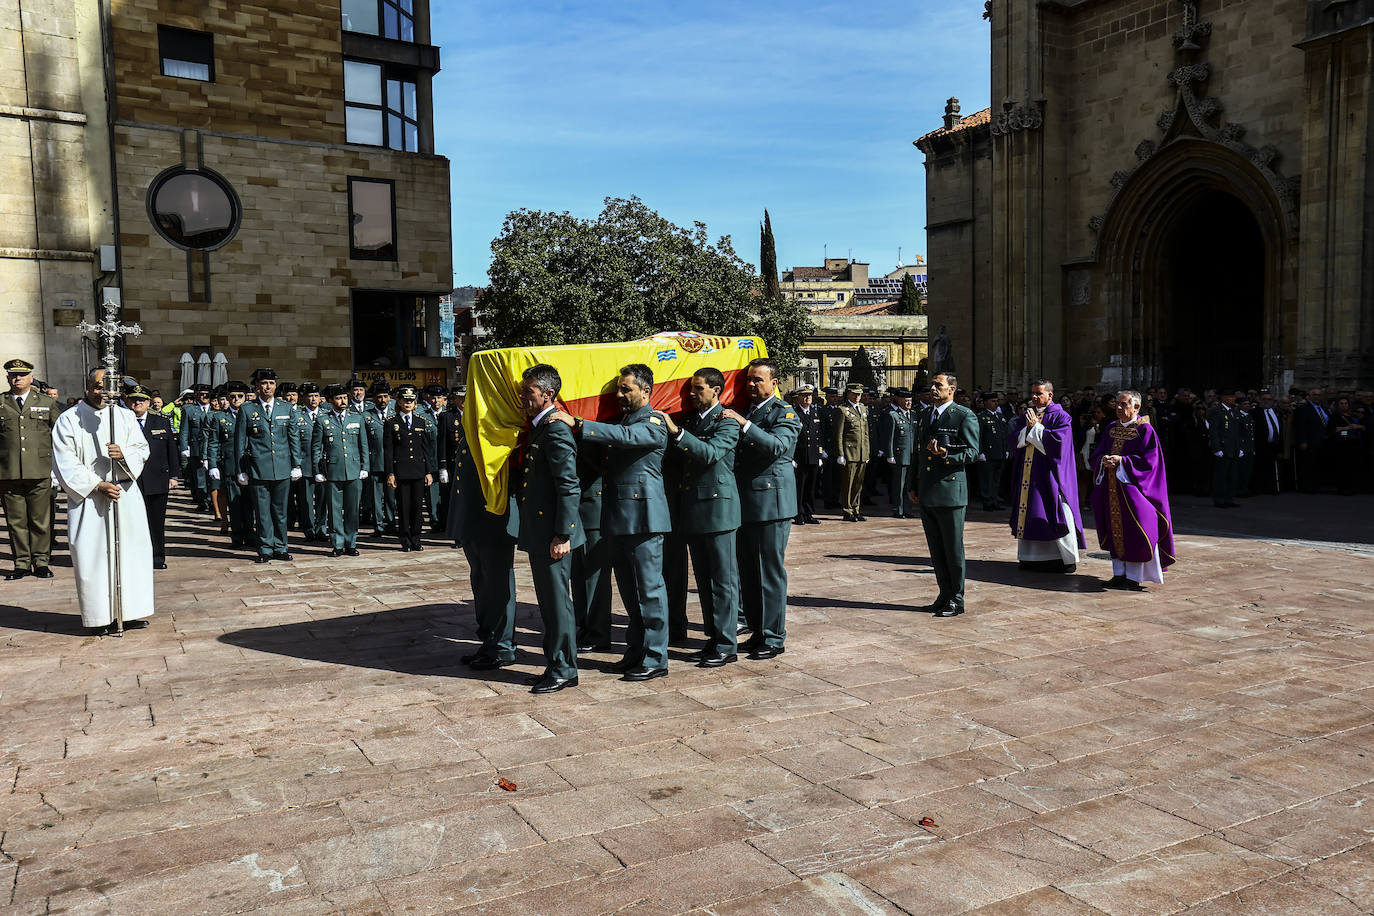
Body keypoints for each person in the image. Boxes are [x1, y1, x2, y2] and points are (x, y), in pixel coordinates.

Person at [559, 363, 672, 681]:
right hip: (619, 519)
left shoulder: (653, 421)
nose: (619, 394)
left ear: (645, 391)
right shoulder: (621, 421)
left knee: (649, 591)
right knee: (631, 594)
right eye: (618, 389)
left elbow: (627, 437)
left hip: (645, 519)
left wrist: (579, 423)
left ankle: (656, 657)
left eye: (626, 389)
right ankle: (636, 651)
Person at [51, 369, 154, 635]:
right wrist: (97, 484)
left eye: (109, 386)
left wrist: (124, 454)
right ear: (87, 386)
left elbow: (142, 449)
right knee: (93, 557)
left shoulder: (125, 416)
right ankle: (100, 616)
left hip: (125, 494)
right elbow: (65, 461)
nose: (103, 392)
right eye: (98, 386)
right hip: (90, 499)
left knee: (131, 554)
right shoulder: (68, 419)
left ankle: (130, 612)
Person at [659, 367, 742, 668]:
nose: (692, 394)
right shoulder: (693, 420)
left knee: (723, 581)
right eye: (691, 388)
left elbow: (709, 454)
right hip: (693, 509)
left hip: (719, 511)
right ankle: (713, 638)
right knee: (705, 581)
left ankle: (726, 643)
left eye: (699, 389)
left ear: (716, 391)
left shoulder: (727, 421)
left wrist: (676, 432)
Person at [722, 357, 800, 659]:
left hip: (772, 504)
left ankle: (774, 636)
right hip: (745, 501)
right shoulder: (746, 409)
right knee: (749, 572)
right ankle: (757, 629)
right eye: (749, 380)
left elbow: (777, 446)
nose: (751, 385)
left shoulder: (785, 413)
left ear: (774, 383)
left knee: (769, 572)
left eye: (758, 380)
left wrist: (744, 424)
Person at [516, 364, 583, 694]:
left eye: (528, 393)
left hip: (553, 534)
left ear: (548, 395)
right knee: (549, 602)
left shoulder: (555, 430)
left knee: (557, 604)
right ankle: (556, 664)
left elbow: (569, 485)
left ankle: (564, 669)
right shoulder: (539, 428)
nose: (522, 398)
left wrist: (563, 534)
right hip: (542, 530)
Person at [443, 402, 519, 670]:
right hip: (472, 519)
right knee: (481, 580)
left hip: (492, 520)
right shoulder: (471, 428)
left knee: (497, 584)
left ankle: (502, 646)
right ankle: (489, 639)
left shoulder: (498, 429)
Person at [1089, 390, 1176, 591]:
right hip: (1111, 490)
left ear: (1136, 407)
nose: (1118, 408)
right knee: (1114, 529)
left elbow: (1150, 462)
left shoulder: (1145, 430)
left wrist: (1122, 462)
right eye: (1117, 404)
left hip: (1135, 492)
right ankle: (1119, 574)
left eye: (1124, 404)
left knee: (1137, 531)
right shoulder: (1111, 427)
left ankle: (1134, 577)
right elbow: (1099, 452)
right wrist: (1103, 460)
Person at [912, 373, 979, 617]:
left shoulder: (963, 415)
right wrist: (913, 485)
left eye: (937, 385)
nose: (932, 389)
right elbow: (917, 453)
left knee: (953, 549)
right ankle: (944, 593)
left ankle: (957, 599)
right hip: (928, 491)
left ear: (951, 389)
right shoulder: (925, 415)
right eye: (932, 385)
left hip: (950, 492)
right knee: (936, 549)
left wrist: (946, 456)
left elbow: (972, 453)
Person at [1007, 379, 1085, 573]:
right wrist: (1029, 428)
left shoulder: (1061, 416)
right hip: (1029, 474)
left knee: (1057, 511)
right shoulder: (1027, 414)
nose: (1034, 397)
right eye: (1032, 393)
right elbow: (1014, 438)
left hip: (1051, 475)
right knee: (1030, 512)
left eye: (1038, 393)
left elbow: (1059, 443)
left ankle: (1066, 559)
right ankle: (1030, 558)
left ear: (1050, 395)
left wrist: (1035, 428)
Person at [233, 368, 302, 563]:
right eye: (263, 383)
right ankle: (265, 548)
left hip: (282, 467)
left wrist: (296, 464)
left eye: (271, 383)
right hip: (258, 468)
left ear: (275, 386)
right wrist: (240, 470)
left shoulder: (286, 408)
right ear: (257, 386)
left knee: (281, 512)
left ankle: (281, 547)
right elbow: (240, 442)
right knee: (262, 512)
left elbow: (293, 438)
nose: (268, 387)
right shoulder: (247, 409)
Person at [1, 358, 59, 580]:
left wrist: (57, 470)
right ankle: (21, 563)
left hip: (40, 471)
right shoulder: (1, 402)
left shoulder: (46, 402)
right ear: (8, 378)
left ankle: (41, 561)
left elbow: (60, 436)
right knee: (16, 522)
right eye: (14, 375)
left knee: (40, 520)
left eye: (22, 375)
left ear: (31, 378)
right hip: (9, 473)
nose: (18, 378)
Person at [312, 384, 370, 557]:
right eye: (338, 398)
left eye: (345, 397)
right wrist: (318, 470)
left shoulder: (356, 418)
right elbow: (316, 448)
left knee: (352, 509)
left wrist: (365, 467)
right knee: (334, 509)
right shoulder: (323, 420)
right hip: (332, 470)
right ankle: (337, 543)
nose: (342, 401)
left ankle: (351, 542)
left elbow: (363, 445)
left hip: (353, 469)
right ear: (330, 401)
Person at [126, 387, 178, 570]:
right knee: (133, 522)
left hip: (157, 478)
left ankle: (157, 557)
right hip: (132, 480)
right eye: (134, 399)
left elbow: (171, 449)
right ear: (127, 402)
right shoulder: (123, 422)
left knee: (156, 522)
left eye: (142, 400)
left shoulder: (160, 421)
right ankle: (136, 557)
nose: (137, 403)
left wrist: (174, 475)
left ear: (149, 403)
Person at [383, 385, 433, 552]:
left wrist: (428, 471)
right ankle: (405, 539)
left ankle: (417, 538)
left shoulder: (420, 421)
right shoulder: (392, 422)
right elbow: (389, 451)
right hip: (401, 471)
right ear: (399, 401)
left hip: (418, 470)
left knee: (418, 507)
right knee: (404, 507)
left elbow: (426, 449)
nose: (408, 403)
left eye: (411, 401)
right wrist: (390, 473)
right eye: (405, 400)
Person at [832, 382, 869, 522]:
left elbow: (865, 433)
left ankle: (856, 508)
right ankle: (847, 510)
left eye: (859, 394)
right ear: (848, 394)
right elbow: (839, 434)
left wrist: (867, 452)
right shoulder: (842, 410)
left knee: (858, 483)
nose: (858, 396)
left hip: (861, 452)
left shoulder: (863, 409)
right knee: (848, 483)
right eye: (855, 393)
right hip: (849, 452)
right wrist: (840, 454)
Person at [879, 387, 916, 518]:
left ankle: (908, 509)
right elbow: (889, 437)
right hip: (899, 456)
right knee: (898, 485)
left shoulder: (914, 415)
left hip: (911, 456)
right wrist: (890, 455)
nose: (908, 403)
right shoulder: (893, 415)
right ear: (899, 401)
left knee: (908, 485)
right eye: (906, 401)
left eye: (910, 401)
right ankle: (898, 509)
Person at [790, 385, 824, 524]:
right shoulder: (794, 414)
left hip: (813, 456)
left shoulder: (815, 413)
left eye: (809, 395)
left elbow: (818, 435)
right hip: (800, 457)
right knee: (800, 487)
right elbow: (792, 437)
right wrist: (791, 457)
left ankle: (809, 513)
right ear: (798, 398)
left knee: (811, 487)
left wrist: (820, 455)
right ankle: (798, 514)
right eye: (804, 395)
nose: (807, 397)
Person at [1208, 390, 1247, 508]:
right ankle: (1219, 499)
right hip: (1223, 448)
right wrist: (1217, 448)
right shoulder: (1217, 411)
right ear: (1224, 398)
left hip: (1233, 448)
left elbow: (1238, 432)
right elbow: (1214, 431)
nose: (1233, 399)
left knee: (1232, 476)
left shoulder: (1234, 411)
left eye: (1233, 397)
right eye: (1230, 397)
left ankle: (1229, 499)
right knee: (1221, 475)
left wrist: (1240, 447)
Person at [179, 383, 212, 512]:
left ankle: (212, 500)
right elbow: (184, 430)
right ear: (196, 395)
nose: (204, 397)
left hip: (211, 447)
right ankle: (203, 501)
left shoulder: (215, 408)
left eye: (206, 395)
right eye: (200, 394)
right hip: (196, 447)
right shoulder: (189, 409)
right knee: (199, 477)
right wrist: (184, 448)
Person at [975, 392, 1009, 511]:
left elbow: (1005, 435)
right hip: (987, 454)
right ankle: (987, 501)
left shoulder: (1000, 417)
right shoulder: (981, 417)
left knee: (996, 479)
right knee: (986, 479)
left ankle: (994, 500)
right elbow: (978, 436)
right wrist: (980, 452)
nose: (995, 403)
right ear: (985, 403)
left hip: (999, 452)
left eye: (996, 401)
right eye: (992, 401)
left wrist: (1006, 450)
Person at [1296, 388, 1329, 493]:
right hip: (1310, 441)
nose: (1316, 397)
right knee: (1308, 465)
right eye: (1314, 395)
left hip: (1323, 441)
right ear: (1309, 396)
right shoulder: (1304, 409)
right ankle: (1307, 487)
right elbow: (1300, 426)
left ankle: (1317, 485)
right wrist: (1303, 441)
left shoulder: (1325, 408)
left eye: (1319, 395)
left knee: (1318, 465)